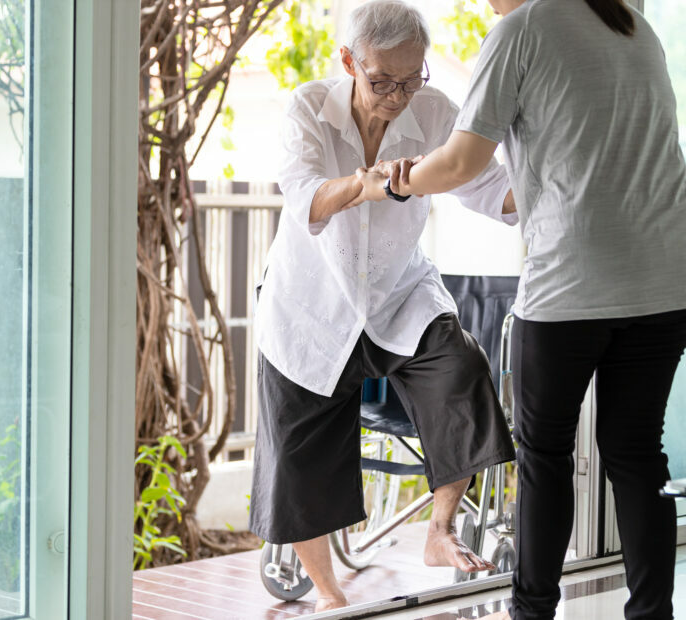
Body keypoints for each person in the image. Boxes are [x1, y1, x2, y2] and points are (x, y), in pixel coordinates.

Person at [366, 1, 686, 618]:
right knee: (638, 455)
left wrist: (393, 180)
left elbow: (463, 160)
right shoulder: (631, 24)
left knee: (545, 456)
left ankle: (532, 612)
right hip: (664, 279)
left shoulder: (522, 31)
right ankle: (653, 614)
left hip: (572, 283)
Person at [249, 0, 519, 612]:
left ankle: (439, 531)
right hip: (310, 305)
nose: (398, 96)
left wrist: (545, 195)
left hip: (399, 293)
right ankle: (328, 592)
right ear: (349, 61)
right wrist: (363, 184)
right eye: (382, 82)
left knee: (462, 372)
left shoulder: (434, 111)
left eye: (411, 78)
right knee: (300, 451)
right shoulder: (307, 109)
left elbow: (485, 187)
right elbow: (303, 200)